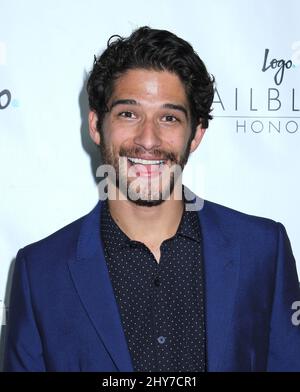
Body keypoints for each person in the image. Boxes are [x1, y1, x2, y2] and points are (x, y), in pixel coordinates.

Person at [3, 26, 300, 372]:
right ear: (97, 125)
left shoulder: (263, 249)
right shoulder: (40, 272)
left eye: (169, 117)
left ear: (196, 134)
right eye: (129, 114)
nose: (148, 139)